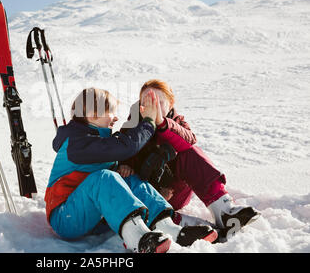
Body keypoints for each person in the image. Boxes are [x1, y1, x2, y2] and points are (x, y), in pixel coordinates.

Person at [44, 87, 218, 253]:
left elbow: (101, 160)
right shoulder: (75, 143)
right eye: (111, 112)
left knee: (127, 177)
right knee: (104, 178)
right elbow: (124, 147)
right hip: (65, 217)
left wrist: (120, 168)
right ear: (93, 114)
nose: (115, 118)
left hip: (92, 215)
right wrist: (149, 121)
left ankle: (169, 228)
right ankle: (139, 238)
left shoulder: (94, 139)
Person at [120, 79, 261, 240]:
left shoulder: (178, 122)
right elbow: (125, 148)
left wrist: (162, 123)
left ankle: (224, 211)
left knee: (190, 151)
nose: (154, 107)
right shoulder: (132, 123)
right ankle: (182, 226)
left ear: (171, 104)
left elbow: (189, 141)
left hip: (174, 192)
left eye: (159, 102)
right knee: (127, 178)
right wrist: (125, 164)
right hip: (145, 192)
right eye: (147, 102)